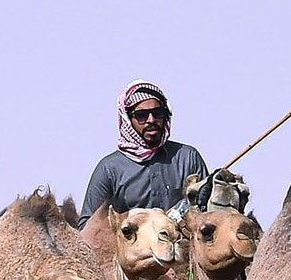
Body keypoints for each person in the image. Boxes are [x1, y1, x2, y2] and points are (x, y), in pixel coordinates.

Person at [82, 80, 210, 220]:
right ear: (128, 119)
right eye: (142, 115)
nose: (151, 120)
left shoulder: (187, 158)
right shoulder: (109, 169)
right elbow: (87, 226)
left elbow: (207, 214)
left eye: (157, 113)